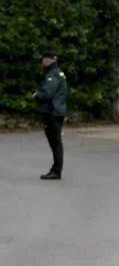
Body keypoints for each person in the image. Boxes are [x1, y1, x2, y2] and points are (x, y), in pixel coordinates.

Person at [33, 50, 68, 180]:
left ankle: (56, 171)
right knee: (56, 141)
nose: (42, 61)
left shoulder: (52, 75)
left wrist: (37, 95)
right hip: (57, 111)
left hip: (52, 111)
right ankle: (56, 169)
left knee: (55, 141)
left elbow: (48, 93)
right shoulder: (59, 72)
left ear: (49, 60)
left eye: (43, 58)